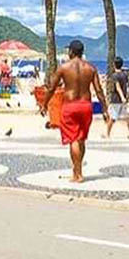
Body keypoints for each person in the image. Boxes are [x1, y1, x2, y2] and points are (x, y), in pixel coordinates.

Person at [41, 40, 111, 183]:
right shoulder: (90, 68)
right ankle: (77, 170)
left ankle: (77, 174)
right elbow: (98, 90)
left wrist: (44, 104)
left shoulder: (64, 68)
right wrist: (104, 109)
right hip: (86, 106)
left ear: (71, 52)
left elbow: (52, 88)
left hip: (70, 106)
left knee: (73, 139)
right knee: (81, 139)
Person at [105, 56, 129, 139]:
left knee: (113, 117)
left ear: (114, 65)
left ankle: (107, 134)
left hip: (116, 99)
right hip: (124, 97)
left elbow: (117, 87)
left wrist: (122, 97)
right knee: (126, 116)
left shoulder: (115, 76)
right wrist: (126, 96)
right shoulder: (125, 74)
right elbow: (127, 86)